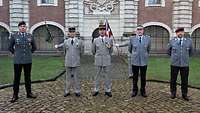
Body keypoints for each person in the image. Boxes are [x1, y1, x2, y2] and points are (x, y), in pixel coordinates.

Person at [8, 21, 37, 103]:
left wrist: (28, 53)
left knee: (28, 77)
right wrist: (16, 53)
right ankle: (15, 95)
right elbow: (10, 47)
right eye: (21, 26)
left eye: (24, 26)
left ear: (26, 28)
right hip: (17, 61)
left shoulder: (30, 36)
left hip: (28, 60)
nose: (23, 27)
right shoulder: (14, 36)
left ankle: (29, 93)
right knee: (16, 78)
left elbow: (34, 47)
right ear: (19, 28)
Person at [55, 27, 84, 97]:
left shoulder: (79, 41)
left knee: (76, 78)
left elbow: (81, 52)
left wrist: (77, 58)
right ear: (69, 33)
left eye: (73, 32)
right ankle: (67, 91)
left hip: (76, 62)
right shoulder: (66, 42)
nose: (72, 33)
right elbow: (65, 52)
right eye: (70, 32)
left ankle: (77, 91)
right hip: (68, 62)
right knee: (68, 78)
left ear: (75, 33)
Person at [167, 27, 193, 101]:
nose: (180, 33)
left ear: (183, 32)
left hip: (185, 64)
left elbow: (191, 52)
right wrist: (174, 57)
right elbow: (168, 51)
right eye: (178, 32)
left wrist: (185, 58)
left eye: (181, 31)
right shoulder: (172, 41)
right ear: (176, 33)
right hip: (174, 64)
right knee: (173, 79)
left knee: (184, 80)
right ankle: (173, 93)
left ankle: (184, 94)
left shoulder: (189, 41)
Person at [128, 25, 151, 97]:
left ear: (143, 30)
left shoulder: (148, 39)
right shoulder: (132, 39)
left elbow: (148, 49)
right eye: (138, 30)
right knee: (135, 77)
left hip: (144, 61)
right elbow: (130, 49)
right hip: (135, 61)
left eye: (141, 30)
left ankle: (143, 90)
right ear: (136, 31)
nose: (139, 31)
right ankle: (134, 90)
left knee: (143, 77)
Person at [91, 24, 113, 97]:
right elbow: (93, 51)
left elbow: (111, 51)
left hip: (106, 59)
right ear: (99, 31)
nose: (102, 31)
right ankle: (96, 89)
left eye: (103, 30)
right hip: (98, 60)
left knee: (107, 76)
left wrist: (109, 49)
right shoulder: (95, 40)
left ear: (105, 31)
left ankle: (108, 90)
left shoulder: (109, 39)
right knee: (97, 76)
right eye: (101, 30)